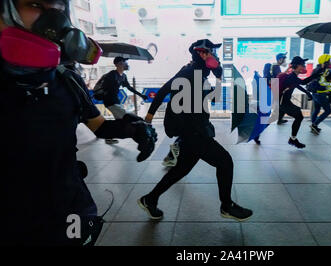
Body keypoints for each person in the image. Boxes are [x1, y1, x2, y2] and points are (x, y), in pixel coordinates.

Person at [0, 0, 157, 245]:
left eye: (59, 8)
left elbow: (99, 127)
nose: (53, 20)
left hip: (68, 211)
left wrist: (133, 127)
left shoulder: (66, 81)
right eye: (35, 5)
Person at [141, 39, 253, 221]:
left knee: (181, 170)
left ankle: (150, 199)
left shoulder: (200, 71)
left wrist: (216, 72)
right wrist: (149, 118)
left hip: (195, 127)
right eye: (212, 52)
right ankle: (226, 206)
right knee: (225, 162)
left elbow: (218, 77)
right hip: (192, 130)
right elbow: (163, 91)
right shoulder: (189, 72)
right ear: (202, 53)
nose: (215, 55)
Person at [96, 57, 149, 144]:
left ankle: (107, 136)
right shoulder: (111, 75)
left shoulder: (123, 76)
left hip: (116, 101)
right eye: (125, 62)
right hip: (110, 102)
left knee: (119, 121)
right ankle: (103, 133)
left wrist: (141, 95)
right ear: (118, 64)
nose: (126, 64)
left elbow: (129, 87)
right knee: (126, 116)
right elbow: (105, 89)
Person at [276, 56, 321, 149]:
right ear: (296, 66)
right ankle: (292, 139)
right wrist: (315, 75)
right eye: (302, 65)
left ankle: (293, 139)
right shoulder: (292, 76)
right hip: (282, 102)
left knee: (299, 116)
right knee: (299, 116)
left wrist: (307, 92)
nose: (304, 66)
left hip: (284, 101)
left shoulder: (293, 77)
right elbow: (303, 82)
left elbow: (297, 84)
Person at [309, 54, 331, 135]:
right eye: (329, 61)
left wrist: (330, 87)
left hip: (315, 93)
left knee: (316, 110)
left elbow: (321, 82)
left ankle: (313, 125)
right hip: (321, 95)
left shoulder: (315, 70)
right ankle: (314, 125)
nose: (330, 62)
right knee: (328, 111)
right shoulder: (326, 71)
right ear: (325, 62)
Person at [263, 52, 289, 124]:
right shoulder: (276, 66)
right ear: (280, 59)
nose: (284, 61)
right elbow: (279, 77)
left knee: (276, 105)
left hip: (272, 87)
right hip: (274, 88)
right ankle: (269, 120)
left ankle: (278, 119)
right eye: (284, 59)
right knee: (278, 104)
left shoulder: (274, 66)